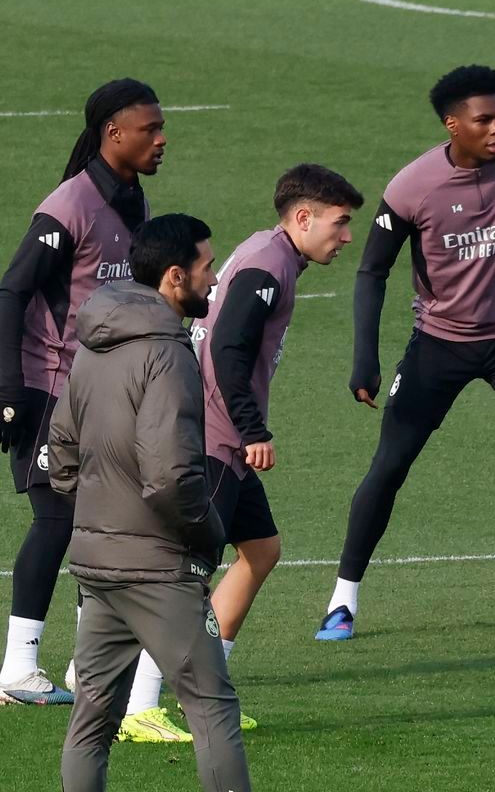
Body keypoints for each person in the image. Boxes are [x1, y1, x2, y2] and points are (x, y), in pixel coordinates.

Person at [49, 214, 340, 792]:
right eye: (207, 267)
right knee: (213, 709)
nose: (215, 277)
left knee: (92, 717)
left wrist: (96, 516)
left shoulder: (92, 345)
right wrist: (204, 538)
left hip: (96, 559)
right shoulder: (171, 353)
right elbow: (172, 475)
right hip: (158, 565)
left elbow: (59, 451)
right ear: (173, 277)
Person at [318, 64, 495, 640]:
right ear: (452, 126)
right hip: (439, 344)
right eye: (483, 120)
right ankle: (343, 600)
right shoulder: (412, 187)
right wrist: (364, 357)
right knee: (390, 465)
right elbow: (371, 271)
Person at [117, 165, 364, 741]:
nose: (347, 236)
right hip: (215, 438)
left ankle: (206, 693)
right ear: (303, 218)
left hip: (220, 431)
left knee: (261, 548)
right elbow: (227, 347)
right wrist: (252, 430)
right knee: (188, 572)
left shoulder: (270, 252)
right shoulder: (268, 266)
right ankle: (139, 708)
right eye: (340, 222)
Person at [0, 78, 164, 708]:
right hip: (50, 391)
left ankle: (85, 666)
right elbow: (11, 292)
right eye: (149, 128)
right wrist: (10, 388)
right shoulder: (68, 206)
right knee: (57, 519)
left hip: (104, 396)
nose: (161, 138)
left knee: (103, 526)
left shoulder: (133, 204)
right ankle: (17, 667)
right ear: (111, 134)